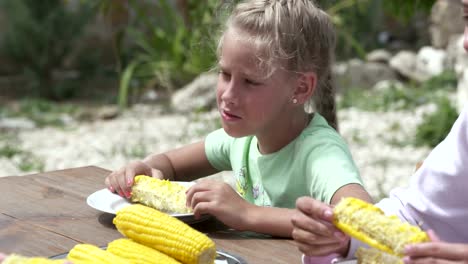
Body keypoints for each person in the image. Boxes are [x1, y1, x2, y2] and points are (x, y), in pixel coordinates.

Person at [105, 0, 371, 238]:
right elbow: (169, 164)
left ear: (300, 88)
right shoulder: (243, 139)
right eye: (224, 74)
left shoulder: (320, 153)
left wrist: (247, 214)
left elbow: (360, 219)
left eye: (250, 82)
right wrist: (148, 171)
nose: (228, 95)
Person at [292, 0, 468, 262]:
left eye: (251, 81)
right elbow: (418, 214)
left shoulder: (320, 146)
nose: (465, 42)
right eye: (466, 15)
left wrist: (247, 214)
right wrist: (346, 236)